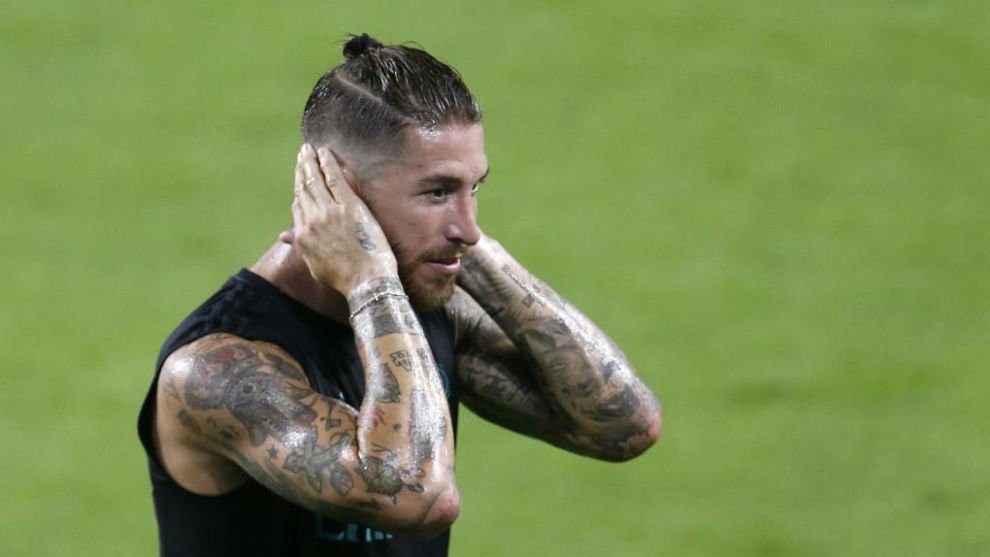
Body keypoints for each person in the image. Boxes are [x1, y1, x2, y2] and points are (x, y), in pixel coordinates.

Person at [137, 33, 662, 557]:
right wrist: (370, 282)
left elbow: (624, 426)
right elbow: (421, 498)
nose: (468, 227)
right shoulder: (216, 370)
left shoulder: (430, 305)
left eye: (474, 187)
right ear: (342, 191)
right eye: (438, 191)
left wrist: (480, 259)